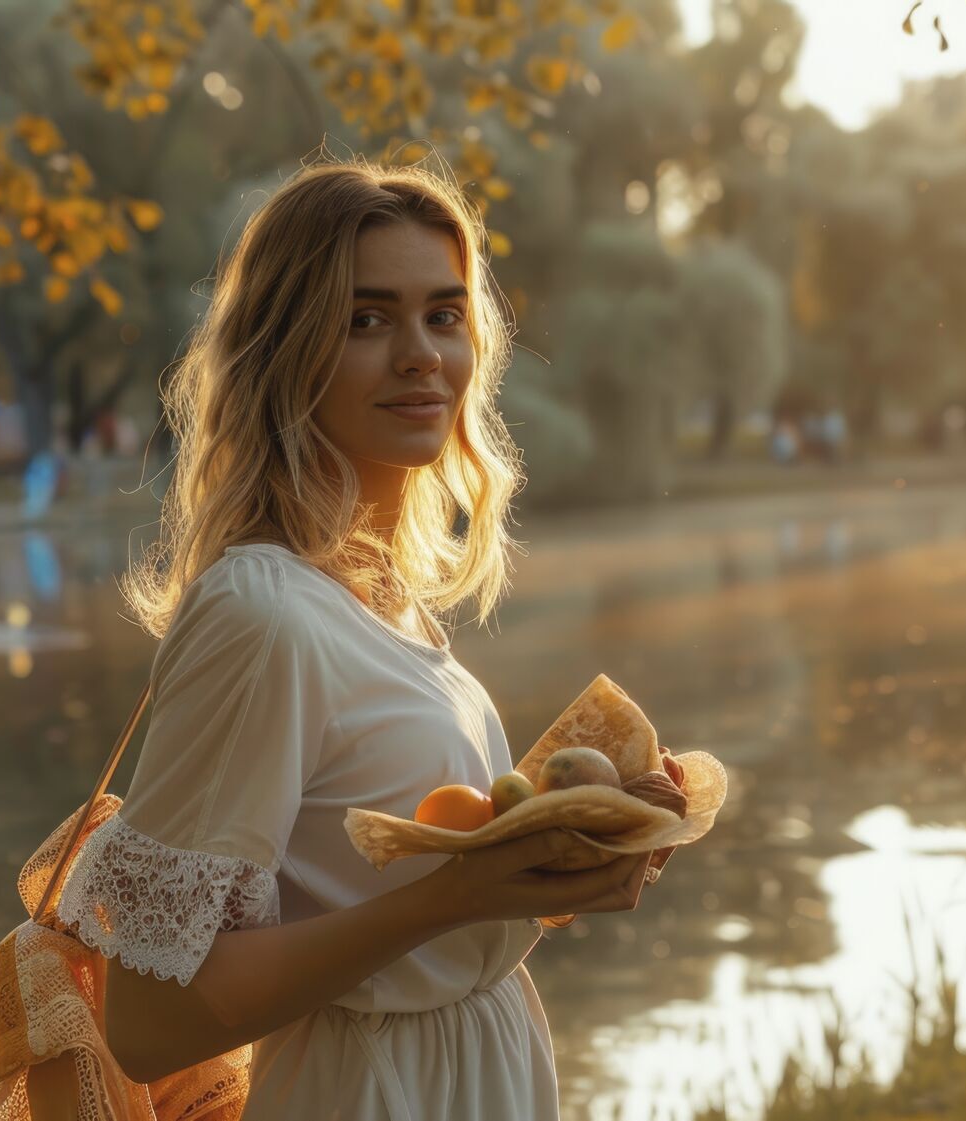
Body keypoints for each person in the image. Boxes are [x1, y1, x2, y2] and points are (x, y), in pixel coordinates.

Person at [59, 158, 670, 1117]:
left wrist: (555, 866)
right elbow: (149, 1022)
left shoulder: (380, 599)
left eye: (444, 314)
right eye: (366, 319)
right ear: (284, 350)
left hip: (479, 1075)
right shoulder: (260, 612)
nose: (422, 353)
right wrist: (458, 895)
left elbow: (373, 915)